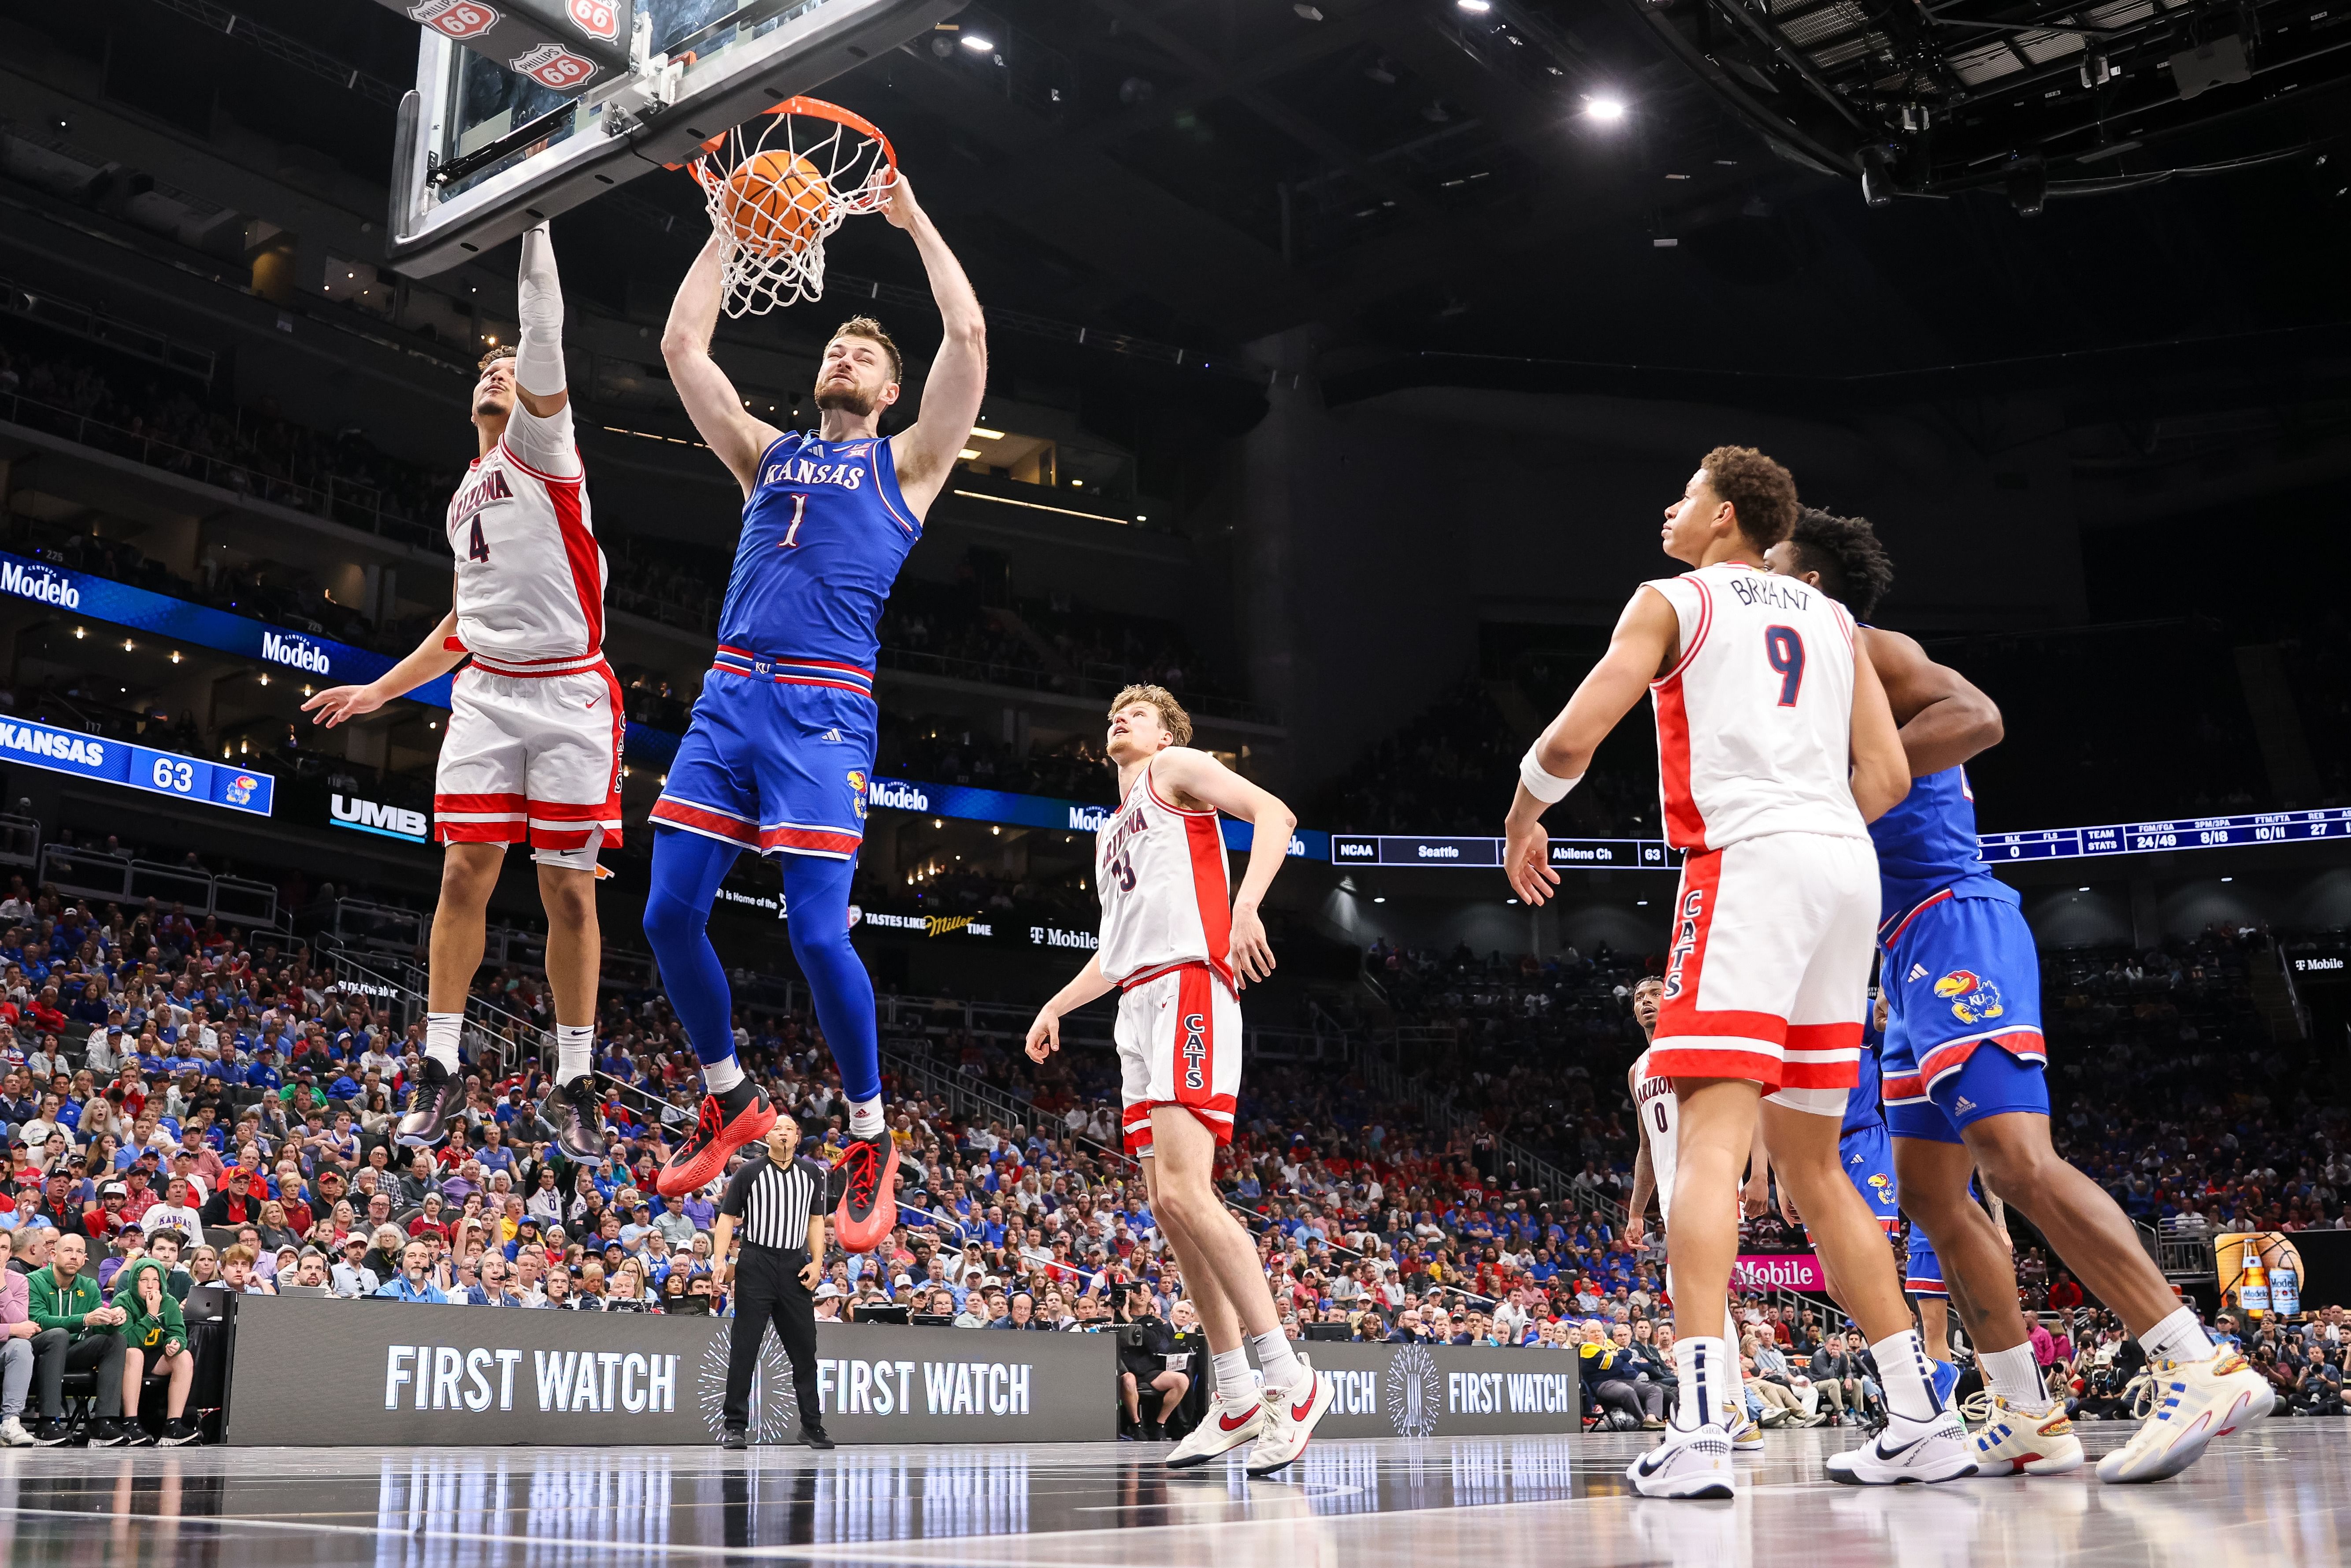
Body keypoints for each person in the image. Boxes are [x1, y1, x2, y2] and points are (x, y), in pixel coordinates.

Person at [1766, 509, 2272, 1483]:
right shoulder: (1801, 689)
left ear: (1814, 586)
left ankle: (2193, 1358)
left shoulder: (1866, 648)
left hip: (1959, 920)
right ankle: (2025, 1412)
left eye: (1777, 569)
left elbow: (1980, 719)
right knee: (1927, 1194)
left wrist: (1849, 785)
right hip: (1902, 952)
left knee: (2014, 1165)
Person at [1502, 447, 1962, 1498]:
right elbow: (1889, 773)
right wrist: (1817, 834)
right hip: (1844, 866)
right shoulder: (1835, 621)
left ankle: (1705, 1423)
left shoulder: (1673, 598)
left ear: (1720, 515)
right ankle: (1919, 1413)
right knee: (1813, 1165)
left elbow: (1577, 732)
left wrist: (1523, 812)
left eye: (1681, 494)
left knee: (1708, 1138)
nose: (1666, 507)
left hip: (1745, 862)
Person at [644, 163, 987, 1248]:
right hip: (728, 692)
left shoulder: (910, 463)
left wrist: (915, 213)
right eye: (837, 348)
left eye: (867, 356)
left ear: (889, 390)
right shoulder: (766, 454)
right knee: (664, 914)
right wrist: (728, 229)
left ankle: (871, 1130)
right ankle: (733, 1097)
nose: (844, 356)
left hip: (824, 710)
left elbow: (969, 338)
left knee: (810, 929)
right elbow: (682, 352)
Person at [304, 223, 611, 1168]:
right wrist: (377, 693)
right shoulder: (463, 494)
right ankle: (441, 1062)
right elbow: (458, 625)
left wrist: (536, 221)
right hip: (486, 690)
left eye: (507, 365)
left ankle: (573, 1078)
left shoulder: (544, 450)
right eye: (483, 366)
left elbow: (544, 325)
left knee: (566, 892)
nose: (495, 371)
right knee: (462, 872)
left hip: (568, 693)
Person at [1024, 686, 1331, 1477]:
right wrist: (1056, 1002)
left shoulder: (1175, 767)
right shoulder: (1107, 833)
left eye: (1136, 710)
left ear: (1167, 730)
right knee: (1164, 1201)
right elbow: (1114, 949)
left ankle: (1287, 1379)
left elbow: (1277, 814)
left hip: (1190, 984)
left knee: (1192, 1192)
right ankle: (1230, 1391)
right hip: (1137, 999)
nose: (1117, 715)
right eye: (1112, 709)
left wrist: (1246, 906)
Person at [1623, 975, 1766, 1450]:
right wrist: (1635, 1211)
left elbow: (1750, 1106)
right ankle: (1735, 1414)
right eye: (1639, 998)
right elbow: (1646, 1145)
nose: (1645, 1002)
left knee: (1693, 1289)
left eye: (1654, 994)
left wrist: (1758, 1173)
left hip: (1708, 1180)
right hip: (1669, 1194)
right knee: (1692, 1291)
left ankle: (1726, 1405)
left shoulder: (1697, 1042)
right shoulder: (1638, 1070)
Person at [712, 1119, 832, 1449]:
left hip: (794, 1264)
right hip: (755, 1261)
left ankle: (812, 1425)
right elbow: (727, 1217)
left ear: (797, 1137)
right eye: (777, 1128)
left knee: (805, 1350)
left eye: (790, 1128)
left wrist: (818, 1262)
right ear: (767, 1136)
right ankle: (735, 1426)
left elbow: (816, 1220)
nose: (783, 1132)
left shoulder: (813, 1174)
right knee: (745, 1348)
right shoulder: (748, 1172)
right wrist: (720, 1260)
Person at [28, 1232, 130, 1445]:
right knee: (58, 1334)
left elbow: (97, 1327)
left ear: (85, 1259)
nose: (74, 1257)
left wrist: (113, 1320)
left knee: (116, 1340)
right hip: (37, 1353)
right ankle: (48, 1422)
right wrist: (84, 1319)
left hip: (72, 1352)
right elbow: (38, 1321)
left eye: (80, 1252)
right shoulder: (33, 1281)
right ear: (53, 1255)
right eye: (68, 1251)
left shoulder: (89, 1286)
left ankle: (104, 1421)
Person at [112, 1256, 198, 1446]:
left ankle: (173, 1425)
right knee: (134, 1353)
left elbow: (179, 1333)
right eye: (144, 1280)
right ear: (135, 1281)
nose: (151, 1286)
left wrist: (175, 1343)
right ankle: (131, 1422)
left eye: (156, 1280)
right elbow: (126, 1342)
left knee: (184, 1356)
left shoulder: (169, 1302)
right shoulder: (122, 1301)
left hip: (154, 1357)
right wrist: (151, 1315)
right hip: (125, 1359)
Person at [0, 1229, 38, 1446]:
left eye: (4, 1248)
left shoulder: (19, 1281)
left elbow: (21, 1322)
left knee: (21, 1347)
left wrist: (2, 1287)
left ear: (10, 1254)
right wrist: (11, 1329)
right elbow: (17, 1327)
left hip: (3, 1348)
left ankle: (10, 1422)